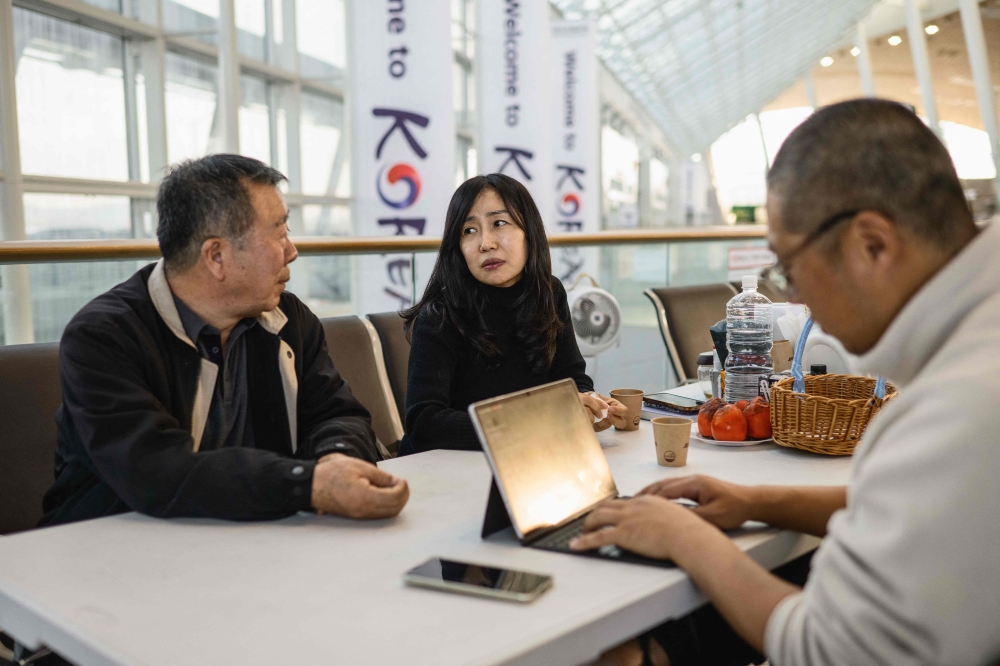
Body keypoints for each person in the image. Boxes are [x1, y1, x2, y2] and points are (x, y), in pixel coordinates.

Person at [574, 99, 1000, 665]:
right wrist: (756, 500)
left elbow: (825, 649)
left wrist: (683, 537)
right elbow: (928, 506)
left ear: (872, 244)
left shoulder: (959, 405)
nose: (792, 297)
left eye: (788, 268)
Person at [40, 154, 409, 526]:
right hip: (114, 546)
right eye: (279, 233)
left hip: (253, 535)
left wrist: (337, 460)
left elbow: (337, 413)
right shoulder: (105, 338)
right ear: (216, 255)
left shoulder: (289, 319)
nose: (292, 252)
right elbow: (156, 471)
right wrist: (307, 484)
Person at [397, 173, 628, 455]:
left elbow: (570, 377)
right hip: (447, 470)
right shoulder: (440, 315)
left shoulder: (549, 292)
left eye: (499, 223)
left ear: (529, 231)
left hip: (529, 460)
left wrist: (591, 406)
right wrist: (537, 419)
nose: (486, 243)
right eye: (469, 231)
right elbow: (424, 424)